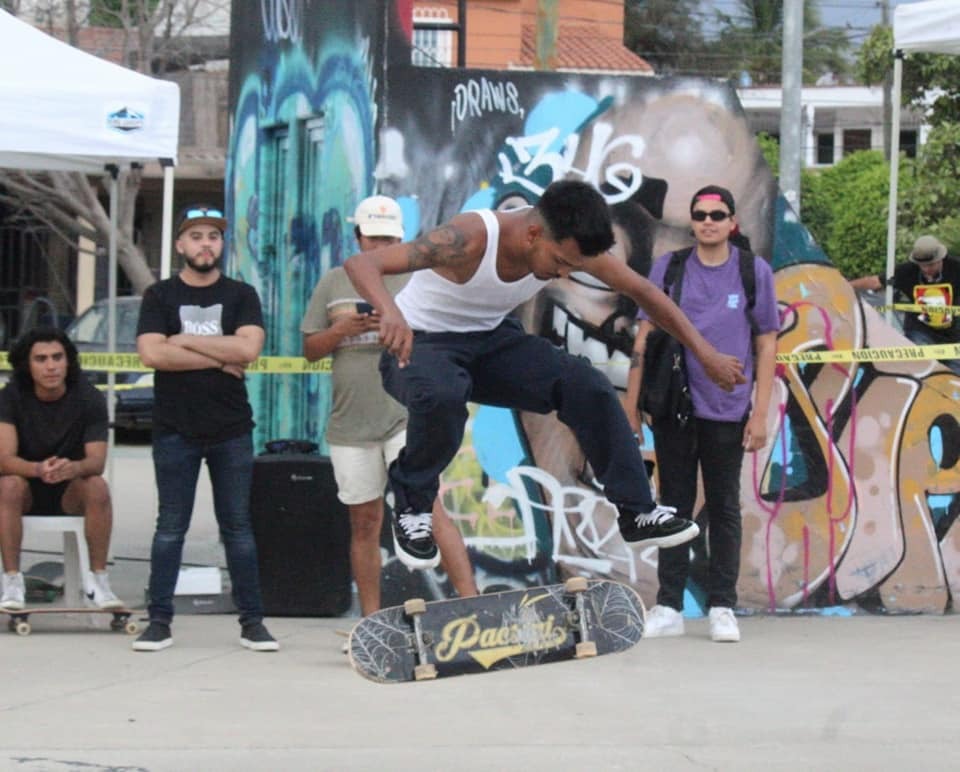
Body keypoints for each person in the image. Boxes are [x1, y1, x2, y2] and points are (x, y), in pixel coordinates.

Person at [343, 179, 746, 571]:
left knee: (587, 386)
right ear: (533, 233)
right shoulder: (469, 238)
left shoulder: (570, 242)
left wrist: (705, 354)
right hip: (422, 344)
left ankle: (636, 512)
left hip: (492, 343)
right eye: (559, 262)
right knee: (443, 396)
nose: (562, 273)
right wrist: (390, 312)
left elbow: (647, 294)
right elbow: (362, 264)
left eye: (574, 267)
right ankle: (413, 505)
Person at [301, 195, 478, 620]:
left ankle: (473, 606)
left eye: (388, 239)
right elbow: (309, 349)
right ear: (358, 237)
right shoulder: (333, 282)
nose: (380, 247)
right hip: (350, 423)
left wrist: (396, 327)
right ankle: (372, 620)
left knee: (429, 508)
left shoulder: (420, 280)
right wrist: (343, 329)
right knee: (364, 522)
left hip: (406, 415)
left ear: (400, 238)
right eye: (372, 238)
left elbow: (448, 341)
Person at [624, 185, 779, 643]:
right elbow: (643, 339)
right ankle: (668, 605)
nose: (708, 221)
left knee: (724, 505)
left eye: (717, 214)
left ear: (733, 222)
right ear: (691, 221)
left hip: (729, 409)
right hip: (673, 406)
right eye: (700, 214)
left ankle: (722, 606)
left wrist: (761, 412)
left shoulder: (753, 273)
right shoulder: (668, 270)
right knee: (671, 505)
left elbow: (767, 342)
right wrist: (630, 408)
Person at [133, 204, 277, 652]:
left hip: (231, 429)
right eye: (195, 236)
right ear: (180, 245)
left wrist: (186, 340)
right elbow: (153, 355)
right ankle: (158, 622)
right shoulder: (159, 296)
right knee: (169, 528)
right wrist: (221, 355)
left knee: (237, 527)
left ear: (221, 245)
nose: (205, 244)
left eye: (212, 236)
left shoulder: (241, 294)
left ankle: (253, 623)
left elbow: (249, 349)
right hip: (175, 429)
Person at [0, 327, 123, 610]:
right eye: (41, 359)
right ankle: (12, 582)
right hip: (25, 488)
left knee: (97, 485)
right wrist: (38, 468)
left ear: (69, 361)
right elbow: (4, 460)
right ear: (26, 365)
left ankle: (98, 581)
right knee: (8, 484)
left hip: (71, 490)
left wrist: (73, 467)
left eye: (58, 357)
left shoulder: (89, 396)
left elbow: (97, 461)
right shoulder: (11, 396)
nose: (51, 366)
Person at [849, 235, 960, 375]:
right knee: (922, 370)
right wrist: (844, 286)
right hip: (921, 332)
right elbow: (875, 281)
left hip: (952, 336)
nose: (926, 269)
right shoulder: (907, 271)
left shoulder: (956, 268)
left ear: (940, 259)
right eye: (922, 265)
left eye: (931, 264)